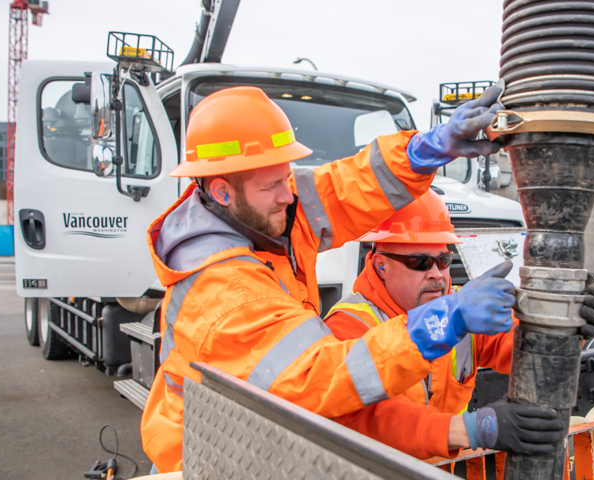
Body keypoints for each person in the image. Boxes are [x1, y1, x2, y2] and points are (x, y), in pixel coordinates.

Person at [141, 84, 516, 473]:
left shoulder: (261, 216)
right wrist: (443, 320)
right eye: (272, 186)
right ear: (221, 191)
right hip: (210, 462)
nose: (288, 196)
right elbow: (320, 376)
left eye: (286, 177)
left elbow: (343, 188)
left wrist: (425, 151)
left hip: (256, 441)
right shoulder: (223, 292)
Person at [325, 190, 594, 460]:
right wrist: (471, 430)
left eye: (444, 260)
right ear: (380, 265)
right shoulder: (349, 326)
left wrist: (563, 325)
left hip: (442, 465)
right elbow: (373, 421)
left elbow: (519, 345)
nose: (436, 274)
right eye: (419, 262)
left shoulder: (462, 308)